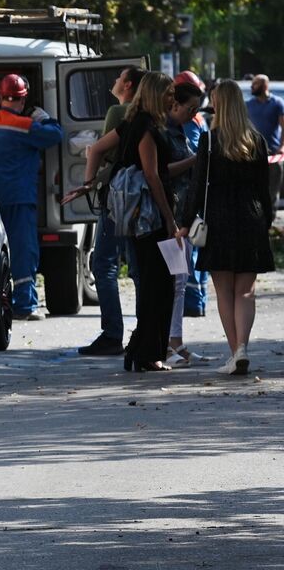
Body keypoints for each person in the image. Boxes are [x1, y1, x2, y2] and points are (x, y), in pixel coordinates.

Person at [179, 80, 275, 375]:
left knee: (224, 291)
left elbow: (197, 186)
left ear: (219, 105)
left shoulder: (210, 141)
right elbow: (264, 187)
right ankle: (243, 348)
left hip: (218, 221)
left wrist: (184, 222)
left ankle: (235, 353)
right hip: (251, 218)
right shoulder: (256, 140)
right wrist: (266, 219)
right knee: (245, 292)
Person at [111, 72, 180, 372]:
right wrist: (170, 218)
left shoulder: (131, 123)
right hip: (150, 218)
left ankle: (141, 350)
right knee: (159, 285)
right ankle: (149, 353)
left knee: (157, 283)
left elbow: (102, 150)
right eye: (168, 93)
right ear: (154, 94)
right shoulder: (147, 127)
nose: (172, 99)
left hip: (140, 219)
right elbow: (152, 175)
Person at [0, 74, 63, 320]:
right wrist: (43, 117)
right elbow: (55, 135)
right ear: (22, 98)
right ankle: (25, 305)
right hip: (20, 196)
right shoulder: (24, 125)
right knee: (23, 251)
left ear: (0, 96)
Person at [77, 65, 145, 355]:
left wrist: (88, 180)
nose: (115, 81)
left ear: (127, 85)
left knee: (104, 265)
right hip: (140, 199)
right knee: (139, 268)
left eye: (119, 77)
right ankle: (145, 330)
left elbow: (102, 151)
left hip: (115, 198)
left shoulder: (118, 113)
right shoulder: (149, 115)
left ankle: (112, 334)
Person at [161, 77, 212, 367]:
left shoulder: (179, 129)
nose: (193, 114)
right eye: (190, 108)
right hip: (169, 217)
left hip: (182, 217)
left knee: (180, 281)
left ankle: (175, 343)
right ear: (174, 104)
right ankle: (166, 345)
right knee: (172, 281)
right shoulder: (163, 132)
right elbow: (161, 171)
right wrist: (196, 160)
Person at [245, 74, 283, 216]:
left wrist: (282, 146)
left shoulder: (277, 103)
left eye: (255, 84)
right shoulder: (248, 105)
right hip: (253, 153)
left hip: (274, 154)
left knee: (272, 190)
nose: (251, 87)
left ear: (264, 86)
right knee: (254, 188)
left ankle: (270, 220)